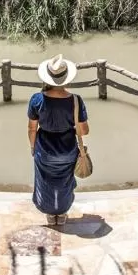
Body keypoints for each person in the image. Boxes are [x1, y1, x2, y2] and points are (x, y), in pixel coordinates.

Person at [27, 54, 90, 226]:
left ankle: (49, 213)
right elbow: (84, 130)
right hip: (68, 149)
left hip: (44, 149)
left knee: (44, 181)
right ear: (66, 79)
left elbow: (32, 128)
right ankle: (61, 213)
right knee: (65, 181)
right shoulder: (76, 100)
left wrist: (33, 147)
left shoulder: (36, 99)